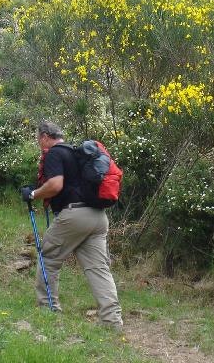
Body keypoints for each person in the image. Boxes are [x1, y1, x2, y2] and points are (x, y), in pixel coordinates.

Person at [21, 121, 123, 331]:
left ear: (45, 137)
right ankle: (112, 321)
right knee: (98, 268)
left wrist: (33, 194)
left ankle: (47, 310)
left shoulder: (54, 154)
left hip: (74, 215)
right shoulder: (76, 153)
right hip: (97, 216)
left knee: (48, 257)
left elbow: (56, 184)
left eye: (39, 138)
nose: (39, 142)